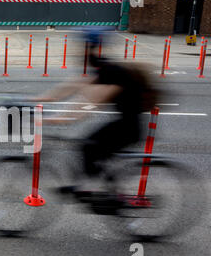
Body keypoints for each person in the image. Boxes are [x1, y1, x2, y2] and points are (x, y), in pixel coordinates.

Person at [35, 29, 157, 183]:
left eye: (84, 48)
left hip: (130, 128)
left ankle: (104, 195)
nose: (80, 53)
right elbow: (71, 87)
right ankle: (97, 188)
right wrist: (34, 100)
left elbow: (92, 103)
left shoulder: (112, 72)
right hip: (123, 124)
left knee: (89, 148)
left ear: (92, 49)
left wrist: (62, 118)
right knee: (90, 148)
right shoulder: (102, 68)